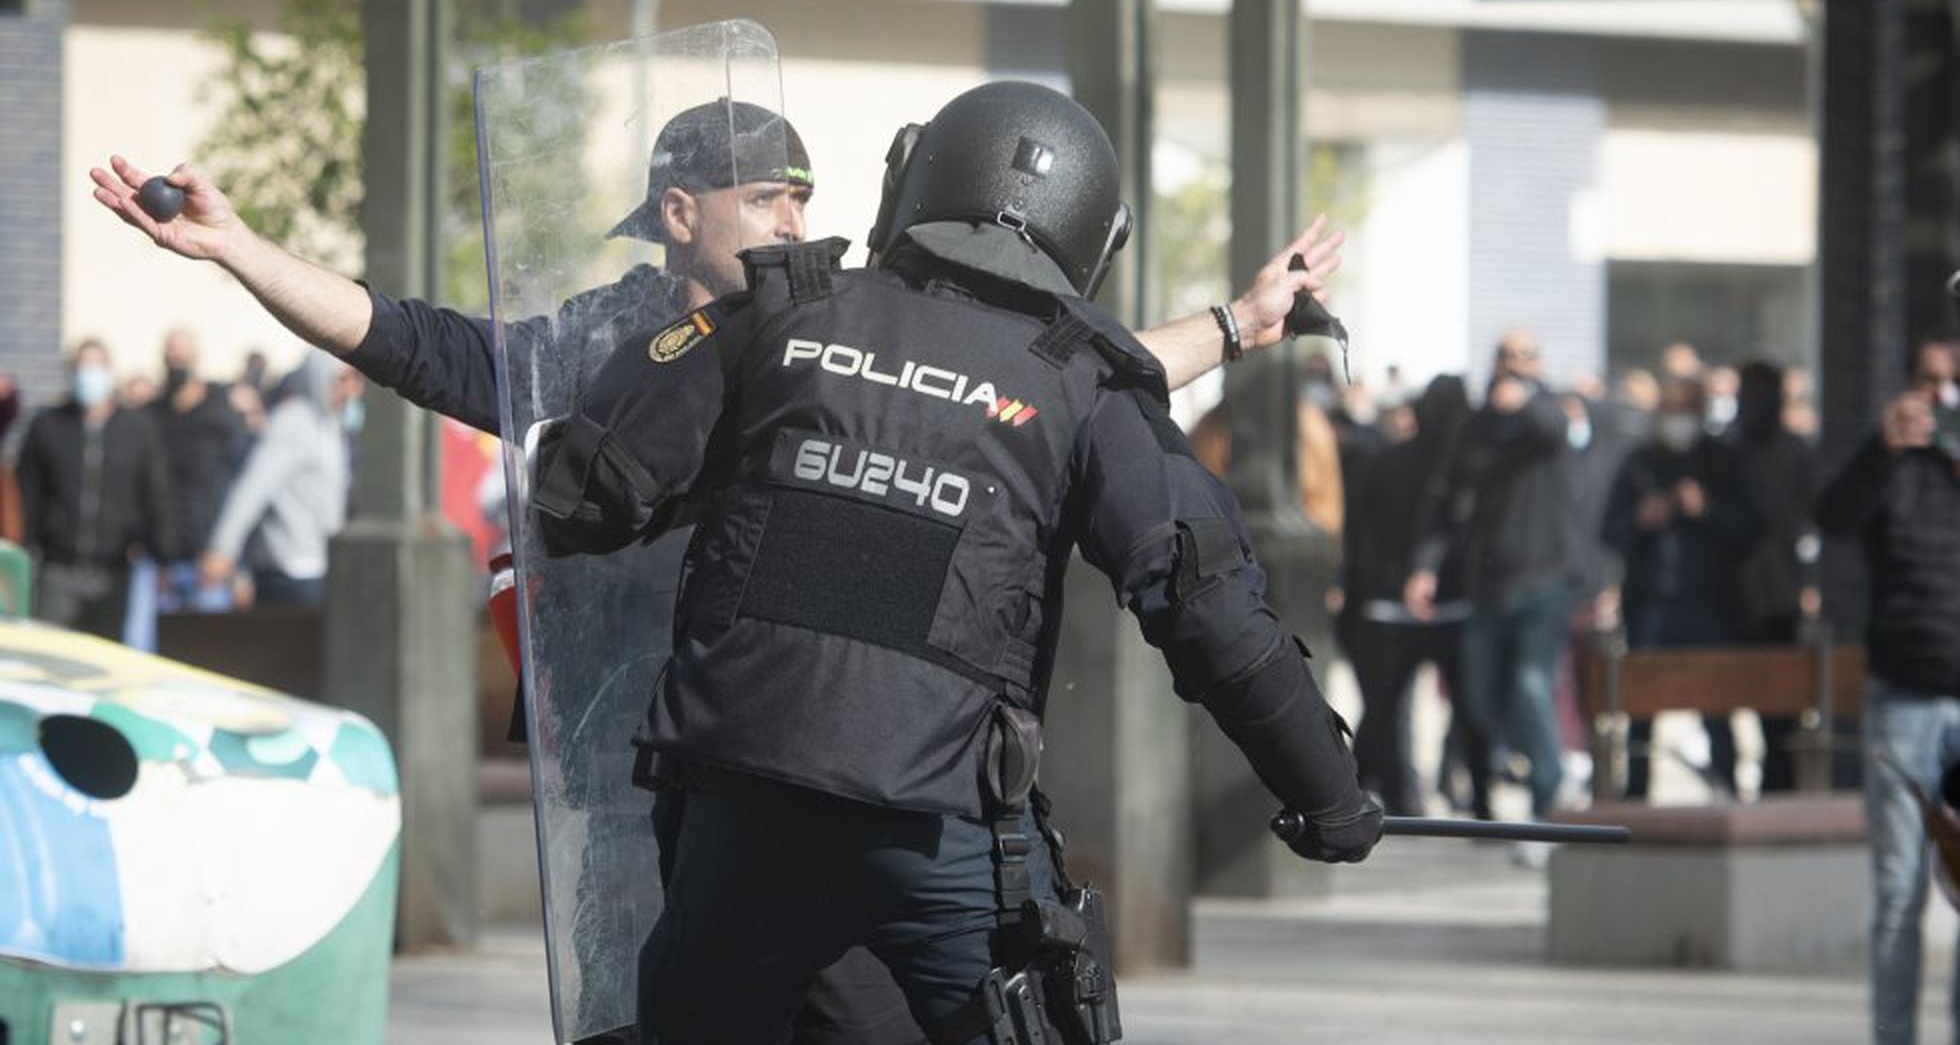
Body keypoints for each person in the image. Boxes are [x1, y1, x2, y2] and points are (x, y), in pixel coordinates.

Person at [90, 94, 1349, 1043]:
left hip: (752, 799)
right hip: (761, 797)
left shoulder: (799, 316)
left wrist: (1239, 324)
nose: (795, 221)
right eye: (764, 198)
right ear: (680, 210)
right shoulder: (629, 335)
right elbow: (425, 348)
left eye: (803, 197)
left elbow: (1039, 385)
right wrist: (242, 251)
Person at [524, 80, 1379, 1041]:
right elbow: (1208, 604)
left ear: (913, 184)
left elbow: (585, 493)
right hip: (935, 841)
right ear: (1092, 240)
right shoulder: (1083, 382)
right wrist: (1330, 795)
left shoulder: (783, 309)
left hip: (737, 824)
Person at [1815, 336, 1960, 1045]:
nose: (1943, 395)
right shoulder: (1889, 461)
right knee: (1900, 892)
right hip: (1904, 692)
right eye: (1929, 383)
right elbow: (1831, 518)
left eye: (1954, 381)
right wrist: (1881, 448)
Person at [1405, 329, 1580, 829]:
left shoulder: (1549, 412)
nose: (1514, 367)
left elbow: (1552, 431)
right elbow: (1443, 498)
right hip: (1488, 584)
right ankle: (1535, 760)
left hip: (1544, 579)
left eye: (1526, 358)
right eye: (1507, 358)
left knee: (1530, 686)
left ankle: (1548, 799)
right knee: (1480, 698)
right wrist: (1424, 566)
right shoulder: (1475, 427)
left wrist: (1523, 401)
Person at [1601, 375, 1760, 799]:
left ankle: (1726, 785)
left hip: (1710, 606)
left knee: (1716, 704)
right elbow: (1608, 530)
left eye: (1685, 411)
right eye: (1669, 410)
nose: (1677, 421)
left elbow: (1749, 532)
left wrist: (1706, 509)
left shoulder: (1723, 463)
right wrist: (1641, 520)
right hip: (1650, 604)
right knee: (1640, 705)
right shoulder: (1640, 463)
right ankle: (1635, 794)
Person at [1340, 374, 1473, 816]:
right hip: (1436, 602)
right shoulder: (1458, 468)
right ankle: (1454, 787)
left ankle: (1399, 792)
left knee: (1387, 704)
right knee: (1443, 703)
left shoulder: (1387, 461)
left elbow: (1358, 532)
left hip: (1388, 600)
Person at [15, 339, 176, 638]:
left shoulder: (138, 429)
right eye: (82, 367)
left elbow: (155, 493)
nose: (89, 375)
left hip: (113, 571)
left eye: (96, 366)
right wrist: (25, 548)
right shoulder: (48, 425)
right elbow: (28, 491)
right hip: (57, 568)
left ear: (109, 371)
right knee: (52, 651)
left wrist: (161, 553)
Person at [199, 350, 361, 606]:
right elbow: (254, 487)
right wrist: (222, 548)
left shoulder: (330, 425)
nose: (349, 390)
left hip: (320, 567)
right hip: (290, 572)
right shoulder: (293, 422)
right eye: (341, 380)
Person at [1731, 359, 1822, 793]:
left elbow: (1815, 525)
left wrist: (1811, 584)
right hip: (1732, 597)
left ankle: (1778, 787)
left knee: (1781, 713)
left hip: (1780, 598)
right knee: (1724, 701)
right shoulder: (1726, 452)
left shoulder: (1797, 452)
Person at [150, 326, 249, 613]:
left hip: (211, 561)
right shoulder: (151, 418)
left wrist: (233, 560)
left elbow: (240, 488)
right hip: (162, 565)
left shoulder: (221, 416)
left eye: (184, 358)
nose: (178, 366)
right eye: (172, 359)